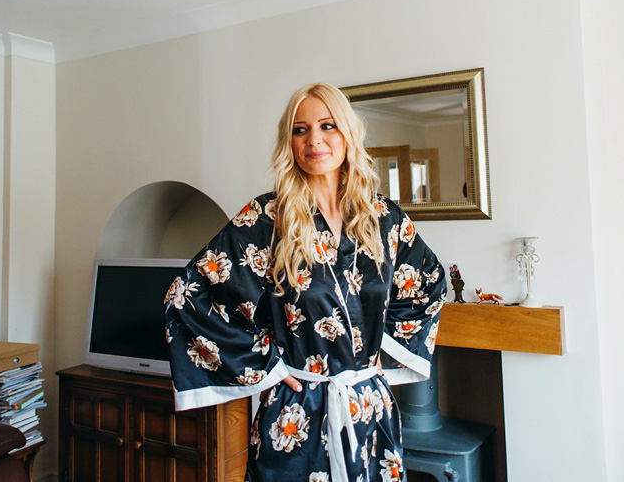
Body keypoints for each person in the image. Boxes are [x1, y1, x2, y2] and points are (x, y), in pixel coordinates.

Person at [164, 82, 446, 482]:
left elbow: (429, 283)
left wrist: (386, 349)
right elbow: (186, 296)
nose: (314, 140)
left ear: (348, 133)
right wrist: (271, 367)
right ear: (289, 141)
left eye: (328, 126)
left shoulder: (383, 217)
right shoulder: (267, 218)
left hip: (369, 408)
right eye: (300, 129)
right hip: (296, 414)